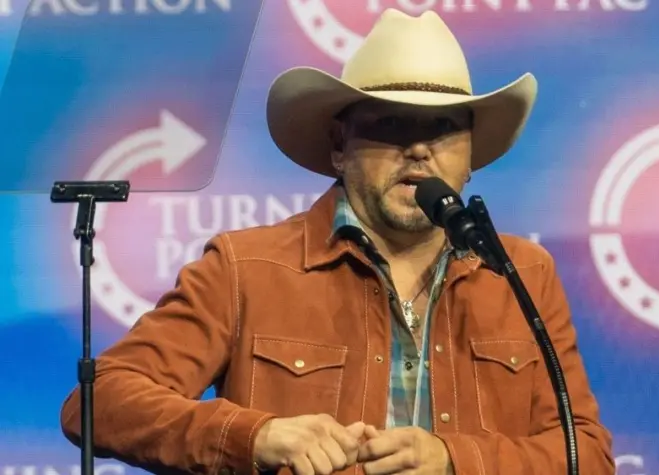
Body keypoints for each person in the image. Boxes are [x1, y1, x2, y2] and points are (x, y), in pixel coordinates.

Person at [60, 8, 614, 475]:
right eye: (392, 125)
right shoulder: (244, 267)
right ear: (338, 146)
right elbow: (99, 400)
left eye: (443, 128)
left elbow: (586, 454)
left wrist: (454, 459)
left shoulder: (522, 271)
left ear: (469, 158)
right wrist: (255, 436)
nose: (420, 150)